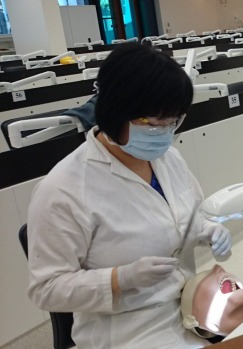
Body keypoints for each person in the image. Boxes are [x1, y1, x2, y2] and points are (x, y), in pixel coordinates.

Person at [26, 43, 232, 349]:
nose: (164, 131)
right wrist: (119, 279)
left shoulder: (169, 159)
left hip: (192, 307)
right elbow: (46, 288)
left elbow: (182, 216)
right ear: (113, 111)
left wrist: (207, 230)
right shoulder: (64, 188)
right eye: (151, 122)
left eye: (173, 121)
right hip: (127, 331)